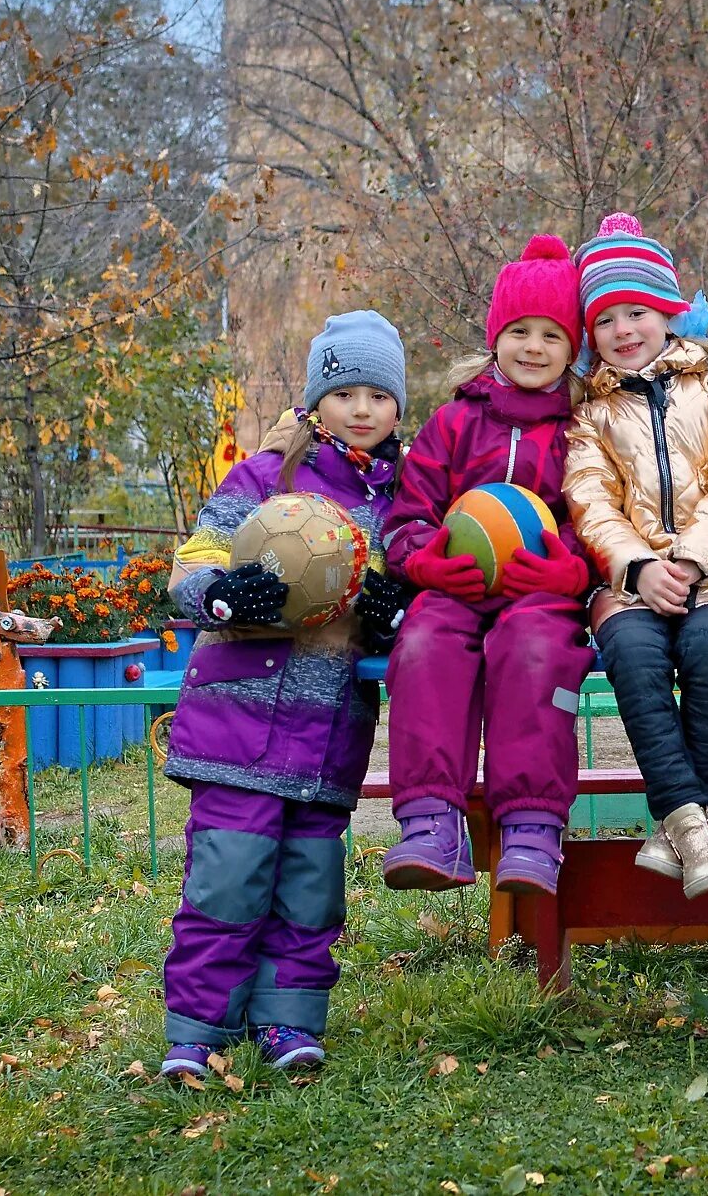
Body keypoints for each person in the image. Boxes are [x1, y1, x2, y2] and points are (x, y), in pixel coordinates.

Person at [159, 311, 411, 1077]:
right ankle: (196, 1029)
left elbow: (414, 593)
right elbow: (192, 564)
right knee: (228, 879)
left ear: (398, 406)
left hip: (326, 732)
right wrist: (221, 595)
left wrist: (392, 613)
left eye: (378, 394)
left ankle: (286, 1022)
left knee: (310, 888)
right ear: (314, 401)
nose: (361, 409)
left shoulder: (401, 500)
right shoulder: (266, 476)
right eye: (344, 392)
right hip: (236, 726)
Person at [378, 235, 595, 897]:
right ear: (495, 335)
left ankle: (530, 828)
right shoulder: (452, 422)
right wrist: (427, 562)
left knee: (534, 652)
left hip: (540, 593)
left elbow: (602, 518)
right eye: (519, 330)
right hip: (457, 586)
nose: (533, 346)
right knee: (421, 643)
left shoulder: (585, 427)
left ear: (572, 347)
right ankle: (431, 823)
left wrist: (574, 570)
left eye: (551, 335)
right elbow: (408, 518)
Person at [564, 212, 708, 898]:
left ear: (668, 311)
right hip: (628, 578)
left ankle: (677, 824)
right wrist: (639, 567)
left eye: (638, 311)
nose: (624, 330)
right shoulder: (589, 409)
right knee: (634, 656)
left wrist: (692, 560)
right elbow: (589, 497)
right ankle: (692, 824)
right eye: (606, 320)